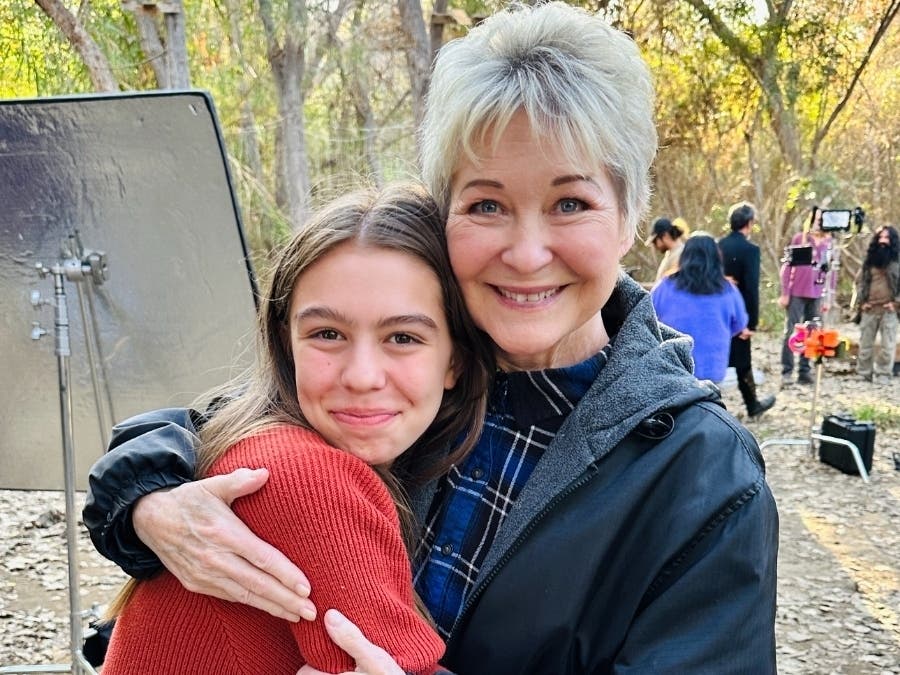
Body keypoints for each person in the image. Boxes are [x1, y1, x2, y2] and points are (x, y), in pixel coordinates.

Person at [84, 4, 779, 673]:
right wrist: (146, 505)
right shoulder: (402, 368)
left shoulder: (702, 478)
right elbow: (221, 425)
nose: (527, 251)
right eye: (486, 204)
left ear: (629, 218)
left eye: (571, 202)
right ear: (445, 215)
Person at [98, 183, 493, 674]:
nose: (362, 376)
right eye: (328, 334)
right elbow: (391, 666)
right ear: (286, 346)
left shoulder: (260, 438)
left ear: (454, 360)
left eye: (403, 337)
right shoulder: (305, 477)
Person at [651, 233, 749, 383]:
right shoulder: (728, 289)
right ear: (717, 258)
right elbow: (740, 324)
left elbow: (648, 316)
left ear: (684, 256)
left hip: (673, 368)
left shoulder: (665, 286)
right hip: (712, 369)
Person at [719, 202, 777, 418]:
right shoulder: (750, 250)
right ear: (750, 223)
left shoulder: (718, 245)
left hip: (718, 312)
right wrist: (751, 321)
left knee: (719, 357)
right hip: (739, 313)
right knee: (743, 362)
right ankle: (752, 404)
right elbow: (751, 287)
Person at [778, 206, 835, 385]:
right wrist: (785, 293)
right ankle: (787, 371)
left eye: (822, 219)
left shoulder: (829, 244)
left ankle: (805, 370)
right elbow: (787, 268)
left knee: (813, 333)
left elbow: (832, 274)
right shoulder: (800, 239)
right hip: (797, 292)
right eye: (816, 219)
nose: (819, 223)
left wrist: (828, 298)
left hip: (817, 294)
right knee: (792, 331)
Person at [854, 225, 899, 383]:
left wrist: (896, 304)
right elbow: (860, 282)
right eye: (880, 237)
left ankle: (883, 374)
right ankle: (863, 373)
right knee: (865, 345)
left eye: (887, 238)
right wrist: (862, 302)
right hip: (870, 309)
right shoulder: (869, 261)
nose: (883, 241)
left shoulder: (897, 261)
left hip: (889, 310)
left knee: (888, 346)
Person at [645, 215, 689, 285]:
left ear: (665, 236)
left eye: (655, 241)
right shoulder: (671, 254)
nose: (655, 245)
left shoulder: (680, 255)